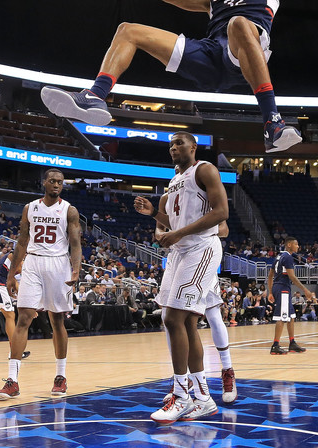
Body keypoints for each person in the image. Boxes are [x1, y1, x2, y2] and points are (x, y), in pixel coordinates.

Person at [40, 0, 301, 154]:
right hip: (210, 56)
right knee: (128, 30)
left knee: (238, 23)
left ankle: (272, 123)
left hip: (244, 56)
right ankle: (95, 95)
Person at [134, 131, 228, 423]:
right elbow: (175, 223)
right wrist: (154, 216)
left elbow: (222, 212)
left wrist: (177, 233)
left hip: (201, 250)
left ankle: (182, 395)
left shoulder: (205, 169)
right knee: (184, 321)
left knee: (173, 319)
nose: (174, 148)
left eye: (179, 143)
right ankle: (202, 398)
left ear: (193, 146)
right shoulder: (174, 181)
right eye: (171, 144)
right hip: (180, 251)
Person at [0, 168, 82, 400]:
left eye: (60, 182)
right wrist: (12, 274)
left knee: (57, 320)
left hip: (58, 264)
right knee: (23, 318)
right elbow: (22, 241)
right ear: (44, 182)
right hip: (33, 262)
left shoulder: (69, 210)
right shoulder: (30, 208)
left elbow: (75, 243)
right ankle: (12, 380)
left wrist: (76, 269)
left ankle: (60, 376)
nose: (56, 185)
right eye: (52, 181)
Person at [268, 236, 312, 355]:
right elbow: (292, 276)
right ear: (289, 245)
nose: (298, 246)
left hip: (280, 287)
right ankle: (275, 345)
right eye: (296, 244)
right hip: (282, 288)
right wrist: (305, 290)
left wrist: (271, 292)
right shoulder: (287, 257)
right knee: (282, 317)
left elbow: (270, 275)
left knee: (291, 316)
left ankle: (292, 343)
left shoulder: (279, 256)